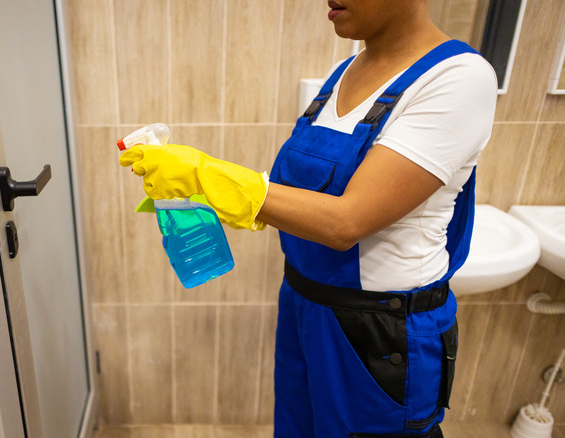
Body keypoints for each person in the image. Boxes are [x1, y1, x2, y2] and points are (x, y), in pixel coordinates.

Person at [119, 1, 497, 436]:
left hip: (377, 330)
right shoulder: (344, 72)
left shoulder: (459, 78)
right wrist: (204, 187)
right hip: (303, 304)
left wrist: (211, 178)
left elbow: (347, 222)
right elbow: (301, 196)